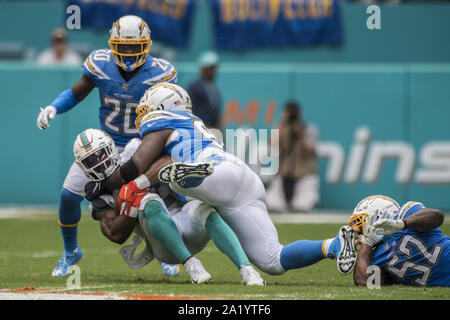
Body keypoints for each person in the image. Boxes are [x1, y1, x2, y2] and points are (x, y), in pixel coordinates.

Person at [85, 83, 359, 277]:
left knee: (175, 177)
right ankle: (333, 245)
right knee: (272, 260)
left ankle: (190, 175)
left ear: (159, 106)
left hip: (212, 173)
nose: (144, 116)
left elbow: (136, 165)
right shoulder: (195, 123)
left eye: (147, 109)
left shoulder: (161, 119)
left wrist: (103, 184)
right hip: (240, 179)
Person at [36, 15, 179, 277]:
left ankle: (164, 252)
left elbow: (173, 111)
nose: (126, 53)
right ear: (112, 44)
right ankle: (70, 252)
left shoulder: (161, 72)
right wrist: (54, 106)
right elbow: (75, 92)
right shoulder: (100, 64)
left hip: (143, 146)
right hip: (107, 146)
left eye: (133, 47)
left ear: (146, 46)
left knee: (153, 200)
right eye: (122, 47)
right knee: (68, 195)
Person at [74, 128, 265, 285]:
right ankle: (192, 265)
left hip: (185, 219)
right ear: (83, 167)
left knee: (202, 209)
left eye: (100, 155)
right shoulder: (97, 192)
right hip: (162, 245)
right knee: (148, 201)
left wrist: (136, 184)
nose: (99, 162)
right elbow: (115, 234)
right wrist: (131, 204)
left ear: (111, 148)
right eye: (91, 161)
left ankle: (247, 270)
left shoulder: (133, 152)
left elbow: (169, 160)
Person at [348, 195, 449, 287]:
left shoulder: (405, 214)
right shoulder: (374, 256)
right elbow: (363, 281)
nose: (360, 233)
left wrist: (402, 224)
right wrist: (367, 243)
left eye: (361, 225)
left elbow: (437, 216)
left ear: (379, 216)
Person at [265, 101, 320, 212]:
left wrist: (299, 135)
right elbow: (271, 146)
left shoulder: (309, 129)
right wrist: (282, 127)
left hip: (304, 174)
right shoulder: (281, 128)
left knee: (302, 206)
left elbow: (311, 151)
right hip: (284, 173)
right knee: (273, 204)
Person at [187, 51, 222, 130]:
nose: (212, 72)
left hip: (212, 131)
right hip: (200, 130)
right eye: (209, 69)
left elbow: (215, 113)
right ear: (202, 69)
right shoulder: (194, 87)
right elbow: (189, 111)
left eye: (213, 69)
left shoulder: (213, 88)